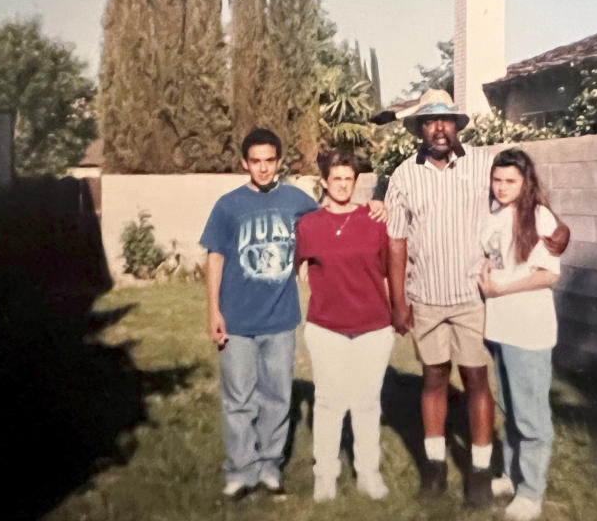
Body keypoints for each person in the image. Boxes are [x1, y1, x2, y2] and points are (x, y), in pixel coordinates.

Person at [384, 89, 570, 508]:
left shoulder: (485, 165)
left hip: (473, 298)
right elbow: (396, 241)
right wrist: (398, 302)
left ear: (456, 125)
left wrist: (560, 229)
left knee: (476, 382)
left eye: (446, 119)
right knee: (433, 379)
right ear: (420, 128)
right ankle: (434, 467)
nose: (439, 128)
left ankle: (482, 472)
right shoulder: (402, 176)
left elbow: (521, 194)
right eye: (430, 121)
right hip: (426, 296)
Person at [200, 128, 318, 500]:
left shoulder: (297, 200)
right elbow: (215, 257)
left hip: (281, 319)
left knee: (278, 396)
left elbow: (331, 221)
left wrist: (375, 207)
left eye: (270, 160)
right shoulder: (228, 205)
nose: (264, 168)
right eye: (256, 161)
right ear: (244, 163)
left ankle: (269, 466)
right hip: (237, 320)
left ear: (279, 161)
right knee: (238, 399)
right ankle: (240, 470)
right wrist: (213, 311)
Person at [295, 150, 395, 502]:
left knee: (367, 402)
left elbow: (391, 270)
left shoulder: (375, 221)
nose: (342, 185)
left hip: (372, 326)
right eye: (335, 178)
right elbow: (292, 268)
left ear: (356, 182)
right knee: (328, 401)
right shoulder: (307, 225)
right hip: (327, 328)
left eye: (348, 179)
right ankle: (325, 474)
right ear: (324, 181)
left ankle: (368, 472)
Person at [477, 148, 561, 521]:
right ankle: (512, 477)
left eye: (511, 180)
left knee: (531, 417)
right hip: (500, 327)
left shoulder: (540, 217)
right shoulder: (495, 216)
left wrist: (500, 289)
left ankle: (532, 492)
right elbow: (492, 259)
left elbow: (549, 275)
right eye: (497, 179)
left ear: (526, 182)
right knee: (510, 410)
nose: (502, 187)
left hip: (529, 330)